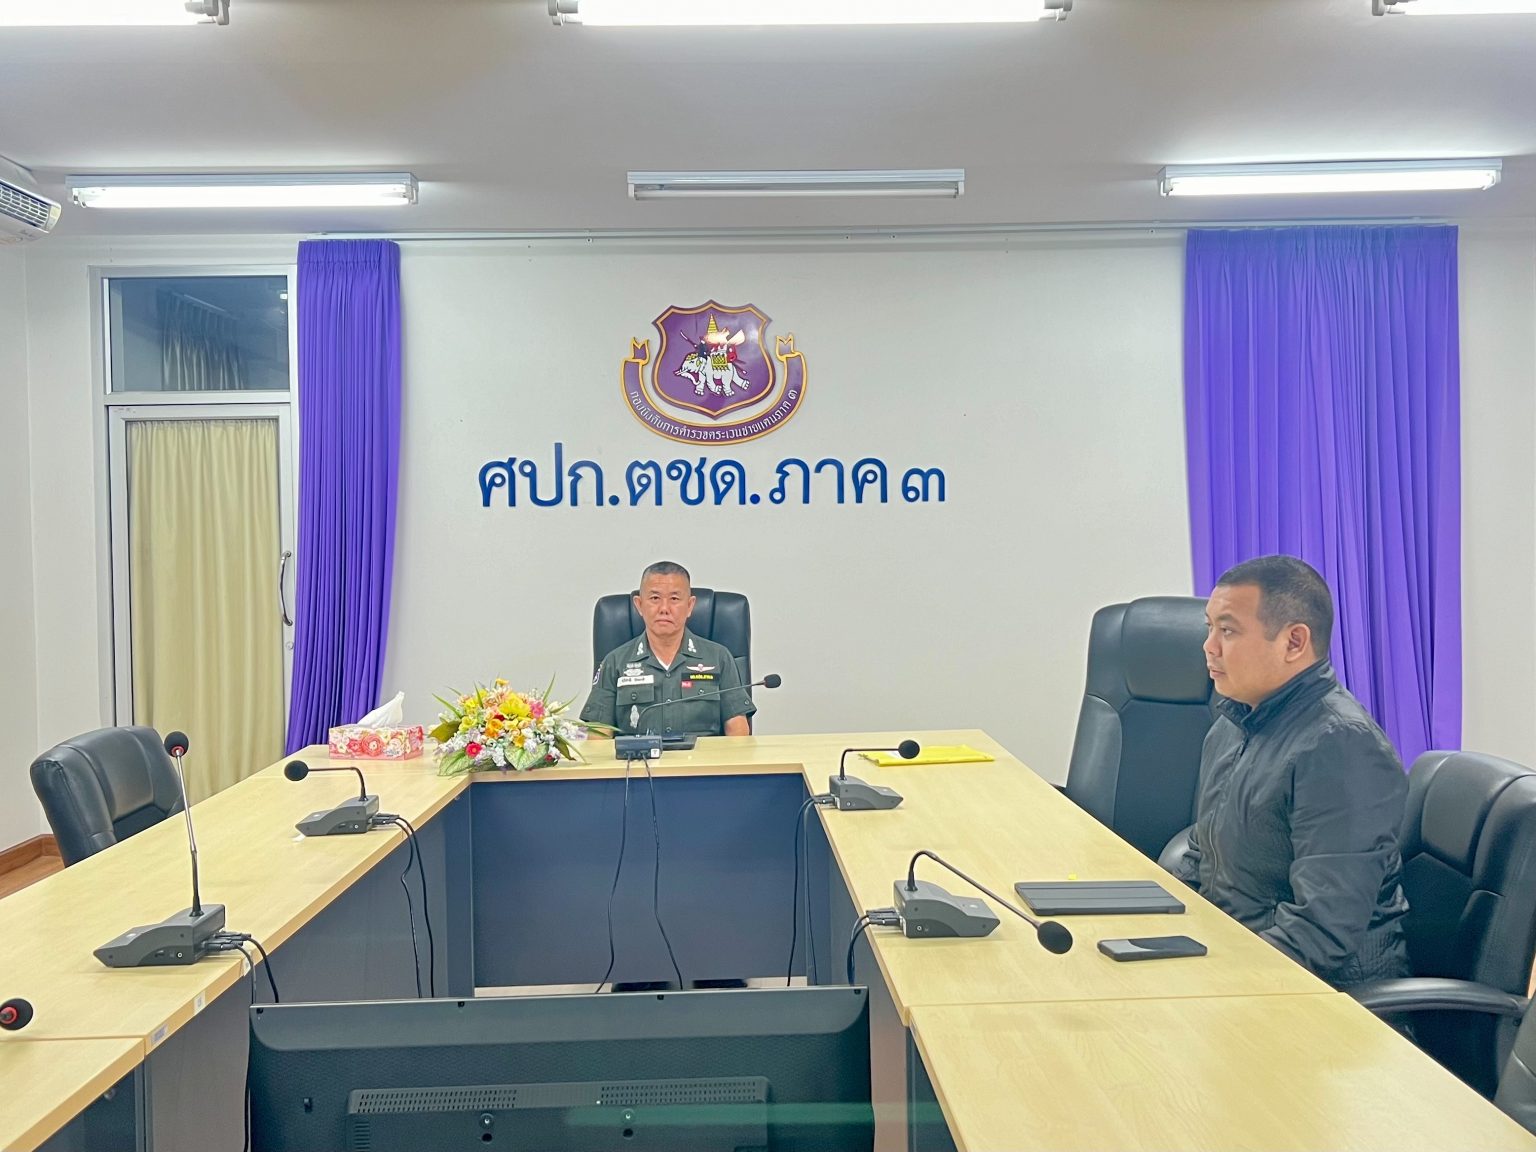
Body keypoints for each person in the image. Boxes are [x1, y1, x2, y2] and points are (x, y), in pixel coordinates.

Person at [1169, 555, 1411, 988]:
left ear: (1294, 642)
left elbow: (1321, 933)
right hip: (1239, 961)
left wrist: (1211, 983)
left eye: (1228, 631)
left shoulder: (1340, 746)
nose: (1209, 646)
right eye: (1210, 628)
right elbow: (1202, 860)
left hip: (1321, 997)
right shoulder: (1233, 725)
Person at [581, 561, 755, 739]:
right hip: (638, 757)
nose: (664, 609)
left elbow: (738, 733)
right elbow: (598, 737)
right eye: (655, 598)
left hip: (703, 757)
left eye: (674, 599)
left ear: (690, 606)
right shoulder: (615, 662)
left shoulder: (719, 658)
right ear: (639, 605)